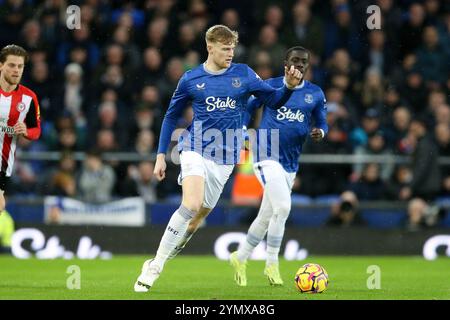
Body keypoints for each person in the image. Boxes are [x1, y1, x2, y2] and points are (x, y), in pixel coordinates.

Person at [134, 25, 302, 292]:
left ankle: (160, 256)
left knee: (196, 218)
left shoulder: (244, 74)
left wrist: (289, 87)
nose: (230, 53)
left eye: (233, 48)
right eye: (225, 49)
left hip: (226, 159)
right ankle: (155, 268)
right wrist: (160, 156)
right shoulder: (191, 79)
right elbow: (169, 117)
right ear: (210, 47)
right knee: (191, 204)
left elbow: (273, 100)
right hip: (195, 147)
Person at [166, 46, 328, 287]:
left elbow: (322, 119)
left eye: (304, 62)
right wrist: (241, 129)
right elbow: (248, 108)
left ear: (308, 65)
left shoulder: (314, 93)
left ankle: (240, 256)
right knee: (282, 208)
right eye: (295, 60)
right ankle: (272, 264)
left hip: (290, 162)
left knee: (266, 215)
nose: (299, 65)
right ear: (285, 62)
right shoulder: (270, 85)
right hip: (265, 153)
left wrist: (321, 131)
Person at [0, 45, 41, 214]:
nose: (16, 70)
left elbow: (36, 131)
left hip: (3, 165)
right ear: (1, 65)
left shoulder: (29, 98)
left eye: (20, 66)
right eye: (11, 65)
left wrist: (25, 131)